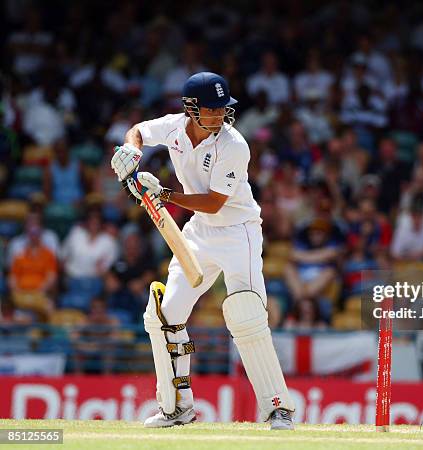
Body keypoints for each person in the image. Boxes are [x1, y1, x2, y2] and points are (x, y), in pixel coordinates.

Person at [111, 72, 295, 429]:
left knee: (246, 313)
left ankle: (278, 408)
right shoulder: (175, 128)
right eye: (210, 110)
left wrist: (162, 195)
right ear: (190, 109)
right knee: (166, 314)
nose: (218, 117)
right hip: (197, 232)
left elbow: (213, 202)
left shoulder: (234, 144)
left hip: (237, 231)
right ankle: (177, 407)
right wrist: (131, 150)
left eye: (222, 109)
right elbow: (138, 130)